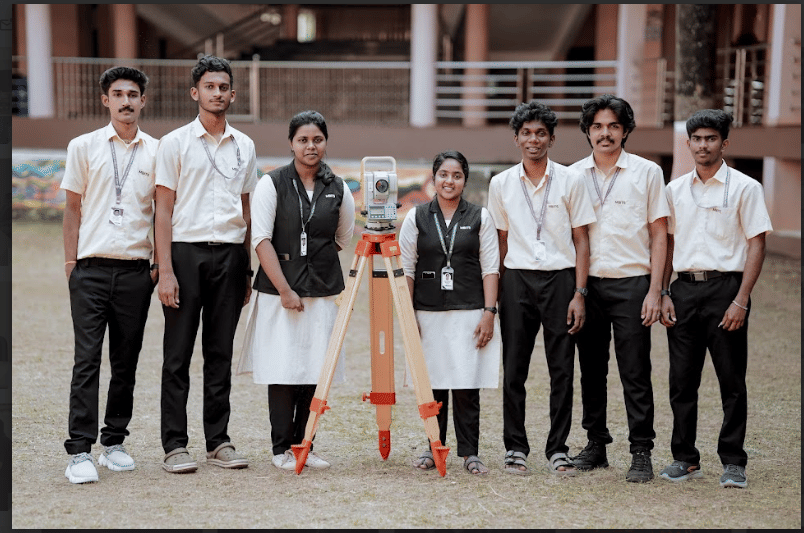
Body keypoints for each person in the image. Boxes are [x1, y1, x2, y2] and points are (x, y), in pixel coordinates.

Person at [154, 56, 257, 473]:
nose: (217, 93)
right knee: (177, 354)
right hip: (185, 253)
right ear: (195, 92)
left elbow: (246, 211)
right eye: (209, 87)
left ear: (233, 94)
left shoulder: (245, 145)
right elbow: (163, 211)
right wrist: (165, 270)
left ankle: (218, 441)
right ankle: (174, 445)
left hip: (230, 256)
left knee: (220, 353)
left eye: (223, 87)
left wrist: (246, 269)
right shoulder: (174, 143)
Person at [659, 110, 772, 489]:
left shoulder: (745, 188)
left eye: (710, 138)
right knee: (681, 381)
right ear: (688, 143)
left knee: (731, 380)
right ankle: (685, 458)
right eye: (697, 139)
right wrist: (664, 292)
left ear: (724, 143)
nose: (703, 145)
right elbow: (667, 244)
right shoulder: (674, 190)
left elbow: (757, 243)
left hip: (726, 290)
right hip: (683, 291)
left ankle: (734, 461)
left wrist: (741, 299)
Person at [236, 110, 355, 471]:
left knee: (315, 370)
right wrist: (286, 288)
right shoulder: (272, 183)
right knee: (282, 370)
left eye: (317, 139)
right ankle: (280, 449)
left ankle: (306, 444)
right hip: (279, 295)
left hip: (320, 293)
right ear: (291, 143)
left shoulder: (338, 187)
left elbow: (342, 237)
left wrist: (312, 265)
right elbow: (260, 239)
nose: (310, 146)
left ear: (325, 143)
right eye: (303, 140)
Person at [61, 66, 158, 483]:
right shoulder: (83, 146)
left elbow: (163, 213)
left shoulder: (157, 152)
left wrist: (157, 267)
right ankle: (79, 451)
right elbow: (72, 210)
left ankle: (114, 442)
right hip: (91, 270)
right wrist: (71, 266)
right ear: (106, 100)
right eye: (118, 94)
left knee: (126, 362)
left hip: (136, 272)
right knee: (86, 361)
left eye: (132, 94)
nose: (125, 101)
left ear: (143, 101)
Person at [488, 101, 595, 475]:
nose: (533, 139)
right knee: (513, 368)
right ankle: (515, 447)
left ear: (551, 138)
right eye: (526, 133)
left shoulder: (571, 180)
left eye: (540, 133)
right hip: (516, 279)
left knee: (561, 368)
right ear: (516, 138)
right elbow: (501, 241)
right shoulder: (501, 183)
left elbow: (582, 239)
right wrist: (498, 294)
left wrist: (579, 293)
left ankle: (558, 449)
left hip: (560, 280)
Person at [568, 94, 670, 483]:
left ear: (625, 131)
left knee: (635, 371)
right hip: (587, 286)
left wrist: (655, 290)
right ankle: (596, 444)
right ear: (587, 131)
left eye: (613, 126)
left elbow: (659, 234)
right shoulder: (573, 175)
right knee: (591, 370)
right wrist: (576, 291)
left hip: (633, 285)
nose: (605, 133)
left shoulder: (647, 172)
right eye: (597, 126)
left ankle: (641, 450)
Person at [398, 150, 501, 476]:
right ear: (434, 178)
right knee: (433, 384)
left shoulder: (480, 216)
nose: (449, 181)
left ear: (464, 180)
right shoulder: (416, 216)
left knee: (467, 384)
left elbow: (490, 267)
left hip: (469, 311)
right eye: (443, 174)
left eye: (456, 175)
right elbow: (406, 269)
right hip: (426, 312)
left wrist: (489, 312)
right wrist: (408, 314)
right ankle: (433, 446)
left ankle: (470, 453)